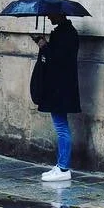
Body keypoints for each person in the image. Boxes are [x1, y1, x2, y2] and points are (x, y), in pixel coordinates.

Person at [31, 12, 80, 182]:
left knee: (61, 128)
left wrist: (44, 46)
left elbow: (58, 61)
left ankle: (64, 168)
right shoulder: (64, 32)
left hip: (60, 89)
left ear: (60, 14)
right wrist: (44, 44)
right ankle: (60, 165)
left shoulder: (67, 34)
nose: (48, 18)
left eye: (51, 14)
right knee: (61, 127)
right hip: (59, 88)